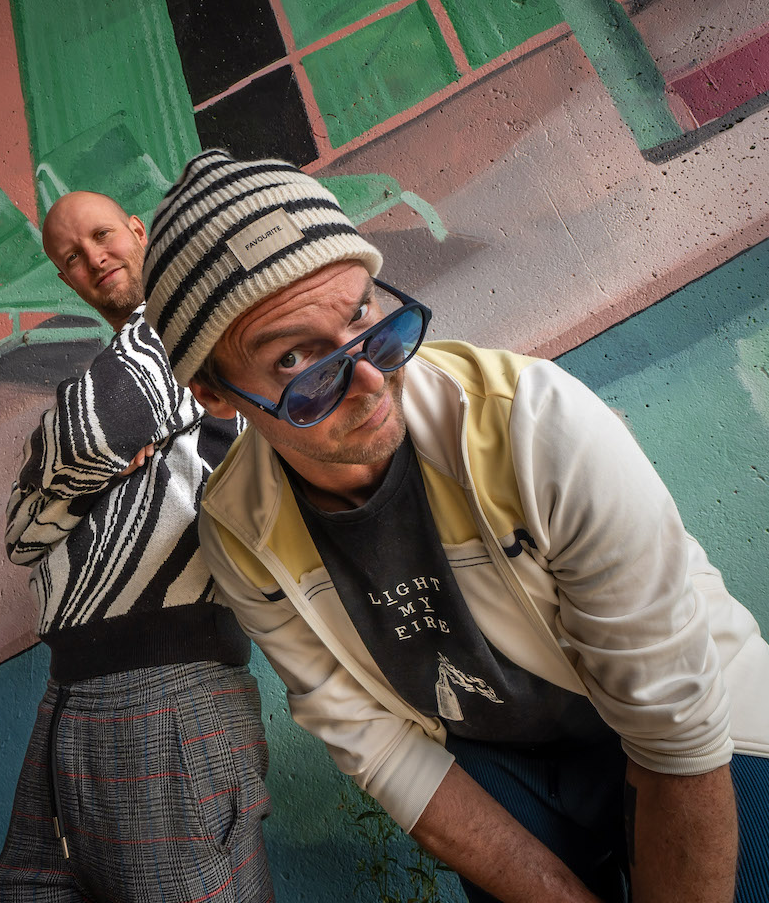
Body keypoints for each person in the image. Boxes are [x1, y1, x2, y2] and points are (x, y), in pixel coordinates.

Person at [140, 150, 769, 903]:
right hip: (501, 766)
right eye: (296, 359)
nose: (368, 379)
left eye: (361, 315)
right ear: (214, 395)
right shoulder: (241, 533)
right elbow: (383, 752)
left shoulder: (535, 425)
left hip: (706, 727)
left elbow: (675, 726)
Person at [0, 190, 274, 903]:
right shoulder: (124, 361)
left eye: (102, 235)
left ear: (139, 231)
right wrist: (96, 474)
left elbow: (85, 434)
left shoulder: (185, 334)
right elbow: (19, 536)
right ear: (65, 279)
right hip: (72, 690)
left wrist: (76, 472)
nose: (93, 258)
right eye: (71, 256)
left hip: (166, 687)